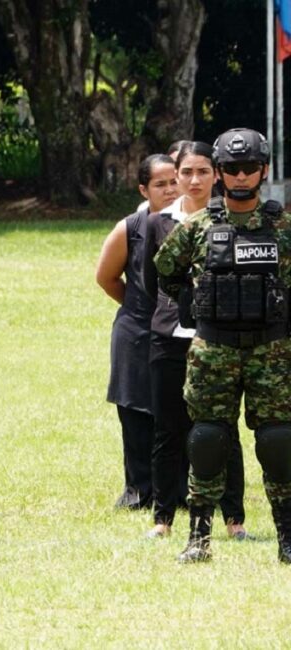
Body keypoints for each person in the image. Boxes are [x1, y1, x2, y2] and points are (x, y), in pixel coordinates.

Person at [155, 128, 291, 563]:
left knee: (278, 442)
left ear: (263, 170)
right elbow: (166, 273)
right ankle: (198, 538)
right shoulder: (197, 228)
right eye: (231, 168)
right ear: (219, 173)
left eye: (249, 167)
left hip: (272, 351)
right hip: (213, 351)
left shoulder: (284, 228)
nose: (240, 176)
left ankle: (287, 537)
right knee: (208, 439)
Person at [142, 141, 248, 540]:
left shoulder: (234, 219)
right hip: (169, 338)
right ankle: (163, 518)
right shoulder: (157, 223)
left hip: (221, 338)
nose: (194, 180)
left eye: (203, 171)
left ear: (216, 174)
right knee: (168, 430)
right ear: (176, 175)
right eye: (186, 172)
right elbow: (153, 283)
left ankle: (234, 520)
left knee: (223, 429)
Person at [95, 154, 177, 510]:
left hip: (182, 330)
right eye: (161, 184)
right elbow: (106, 277)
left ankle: (179, 490)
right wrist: (142, 308)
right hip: (137, 330)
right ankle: (139, 490)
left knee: (177, 411)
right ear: (144, 189)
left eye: (174, 181)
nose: (171, 189)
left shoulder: (196, 223)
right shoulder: (130, 227)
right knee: (137, 411)